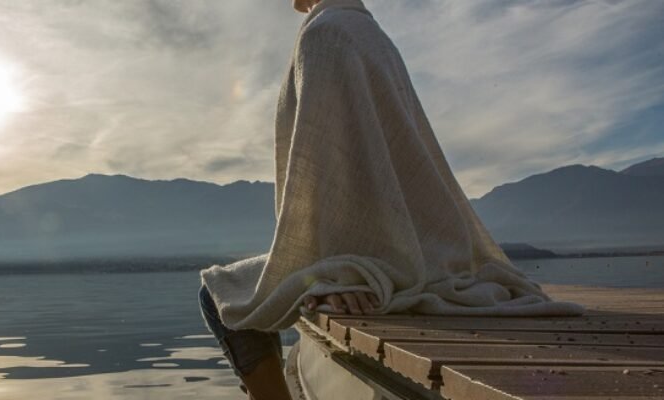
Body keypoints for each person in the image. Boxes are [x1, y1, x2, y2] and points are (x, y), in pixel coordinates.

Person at [199, 0, 582, 398]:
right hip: (428, 252)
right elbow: (372, 167)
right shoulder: (373, 37)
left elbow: (330, 171)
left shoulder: (323, 35)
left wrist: (337, 272)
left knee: (217, 292)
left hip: (374, 264)